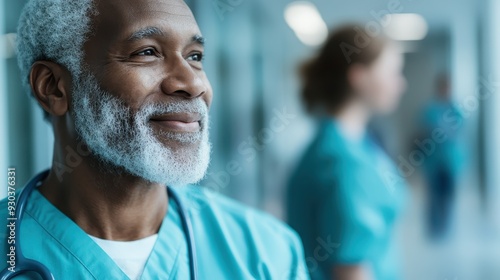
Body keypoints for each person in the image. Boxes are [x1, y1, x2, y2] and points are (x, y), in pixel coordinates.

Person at [0, 0, 309, 279]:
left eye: (195, 56)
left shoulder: (268, 253)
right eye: (147, 52)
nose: (192, 83)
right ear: (53, 87)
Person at [286, 25, 408, 280]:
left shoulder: (353, 143)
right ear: (359, 76)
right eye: (393, 72)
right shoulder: (343, 162)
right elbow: (351, 270)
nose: (401, 84)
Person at [420, 74, 464, 240]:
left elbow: (459, 132)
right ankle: (434, 228)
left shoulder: (456, 109)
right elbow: (427, 132)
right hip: (434, 162)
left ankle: (446, 226)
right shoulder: (431, 110)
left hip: (451, 161)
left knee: (448, 196)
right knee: (434, 196)